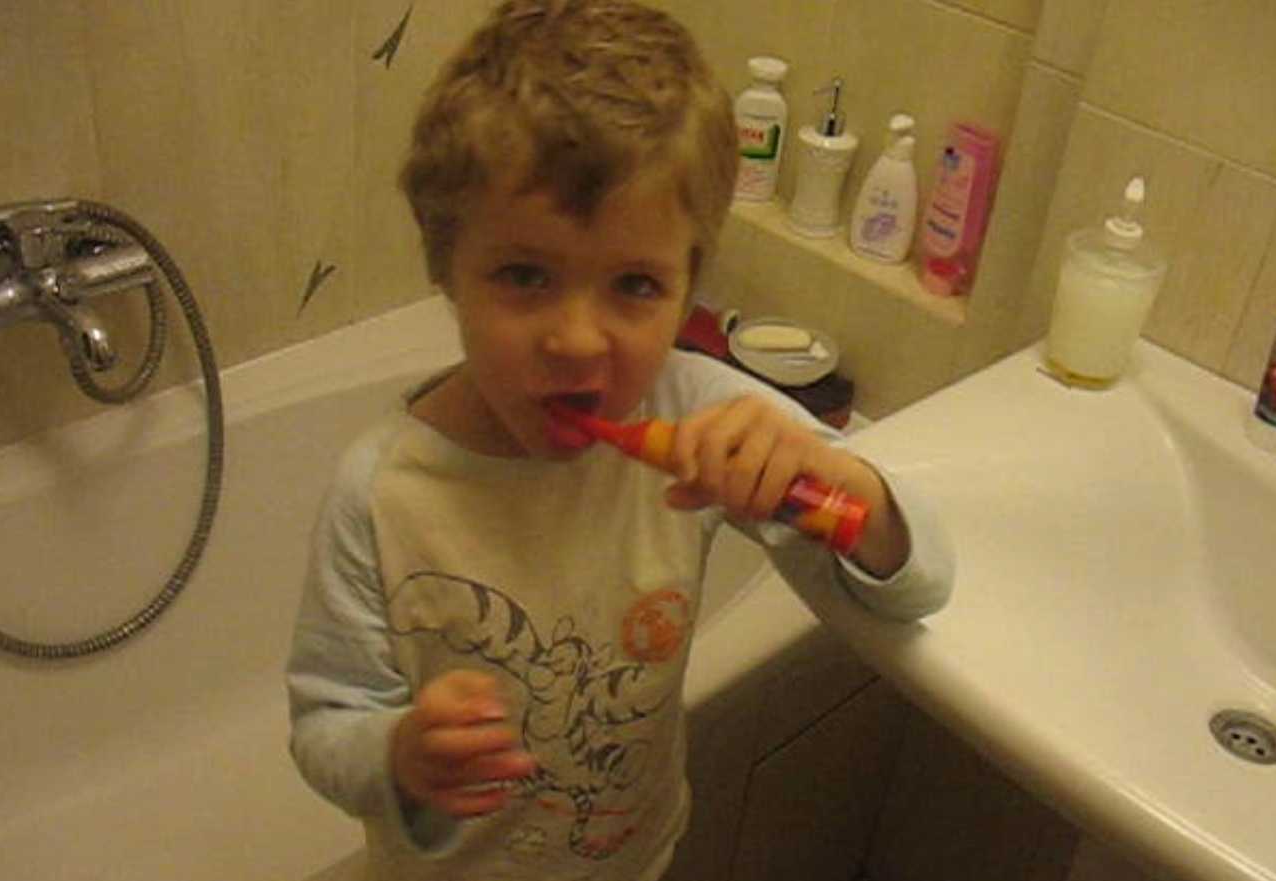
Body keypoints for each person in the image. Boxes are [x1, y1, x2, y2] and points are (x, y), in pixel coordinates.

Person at [286, 1, 954, 878]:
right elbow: (325, 724)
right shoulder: (382, 491)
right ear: (445, 266)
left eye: (634, 285)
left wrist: (839, 482)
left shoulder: (698, 415)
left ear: (687, 287)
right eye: (524, 274)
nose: (576, 340)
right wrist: (398, 753)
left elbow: (918, 583)